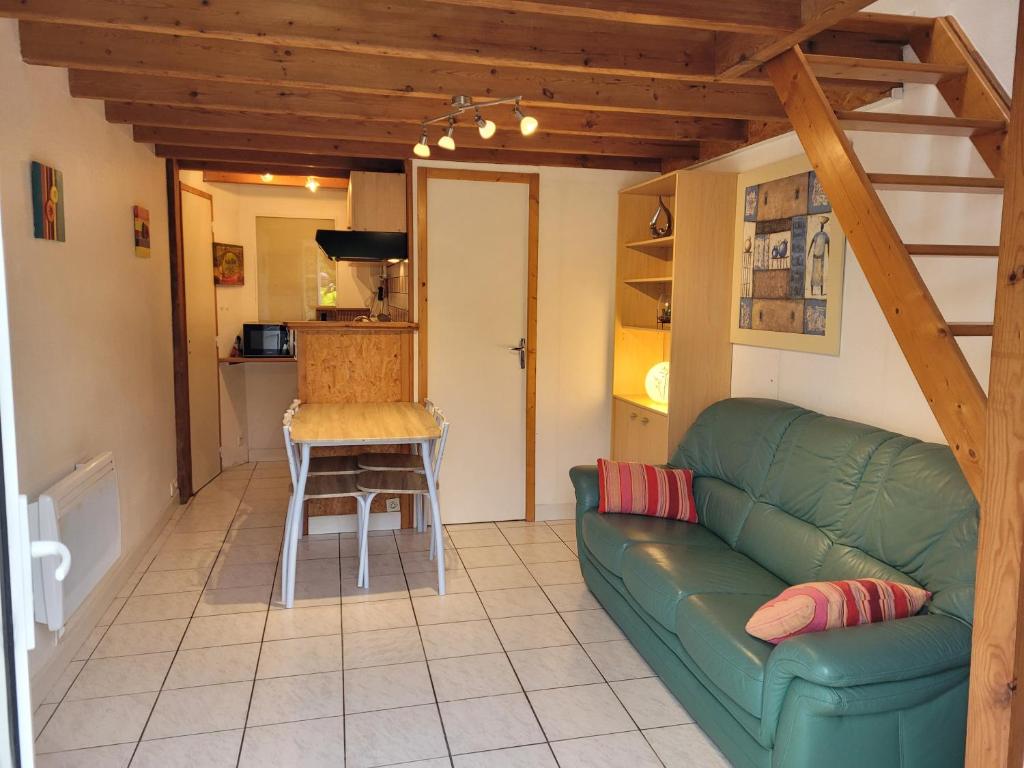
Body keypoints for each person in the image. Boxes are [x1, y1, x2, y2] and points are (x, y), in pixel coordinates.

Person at [808, 216, 830, 296]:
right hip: (815, 257)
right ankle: (812, 292)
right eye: (821, 225)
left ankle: (820, 293)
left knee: (820, 275)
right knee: (814, 276)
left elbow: (828, 247)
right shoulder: (817, 235)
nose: (821, 227)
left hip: (820, 257)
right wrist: (809, 252)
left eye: (822, 226)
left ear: (823, 226)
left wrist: (829, 255)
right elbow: (811, 243)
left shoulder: (825, 235)